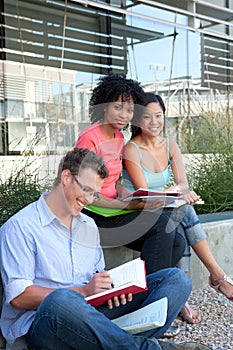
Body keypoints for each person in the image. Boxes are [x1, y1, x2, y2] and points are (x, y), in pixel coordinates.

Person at [0, 147, 195, 350]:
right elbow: (19, 297)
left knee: (176, 280)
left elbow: (97, 277)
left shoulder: (88, 225)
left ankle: (113, 343)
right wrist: (82, 291)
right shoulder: (20, 227)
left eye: (95, 194)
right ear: (66, 177)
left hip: (91, 315)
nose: (89, 200)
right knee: (60, 300)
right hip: (45, 326)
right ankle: (142, 347)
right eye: (86, 190)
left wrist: (114, 289)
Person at [122, 92, 233, 323]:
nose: (154, 122)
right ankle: (217, 275)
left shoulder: (170, 145)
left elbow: (183, 183)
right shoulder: (131, 149)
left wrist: (178, 191)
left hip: (164, 208)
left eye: (159, 116)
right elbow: (145, 194)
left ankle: (181, 297)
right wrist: (173, 194)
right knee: (183, 210)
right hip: (137, 211)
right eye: (147, 117)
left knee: (180, 228)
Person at [76, 73, 185, 276]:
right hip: (93, 216)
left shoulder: (118, 137)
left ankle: (156, 292)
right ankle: (152, 298)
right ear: (104, 106)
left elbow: (114, 181)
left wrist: (128, 194)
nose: (123, 115)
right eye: (117, 107)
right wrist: (126, 204)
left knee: (177, 241)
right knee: (161, 226)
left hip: (113, 211)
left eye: (129, 110)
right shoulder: (90, 138)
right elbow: (85, 194)